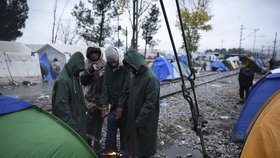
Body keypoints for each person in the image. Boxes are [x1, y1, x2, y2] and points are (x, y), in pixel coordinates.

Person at [122, 50, 160, 158]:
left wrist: (139, 120)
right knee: (135, 145)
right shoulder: (135, 76)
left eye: (130, 66)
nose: (129, 69)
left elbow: (150, 104)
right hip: (135, 117)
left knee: (144, 145)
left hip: (145, 120)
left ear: (136, 63)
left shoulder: (151, 79)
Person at [100, 46, 131, 155]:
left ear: (118, 58)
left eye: (114, 62)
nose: (113, 65)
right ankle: (110, 150)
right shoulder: (108, 68)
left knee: (125, 130)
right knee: (111, 127)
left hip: (126, 105)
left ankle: (125, 152)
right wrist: (104, 104)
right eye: (110, 62)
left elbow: (126, 88)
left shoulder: (126, 67)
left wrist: (121, 106)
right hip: (114, 104)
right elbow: (105, 86)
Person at [51, 52, 87, 140]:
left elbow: (79, 98)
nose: (78, 73)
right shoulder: (63, 80)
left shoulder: (74, 76)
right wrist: (71, 125)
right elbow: (61, 105)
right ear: (73, 65)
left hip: (77, 119)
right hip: (69, 125)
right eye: (78, 70)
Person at [80, 46, 106, 154]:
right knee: (89, 122)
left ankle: (97, 145)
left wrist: (102, 76)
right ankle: (88, 144)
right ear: (88, 55)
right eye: (92, 54)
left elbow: (107, 83)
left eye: (96, 53)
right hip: (89, 100)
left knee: (99, 123)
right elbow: (83, 82)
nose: (94, 55)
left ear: (100, 54)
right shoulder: (85, 65)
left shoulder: (104, 65)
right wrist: (89, 72)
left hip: (101, 100)